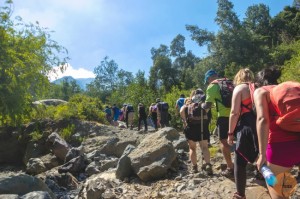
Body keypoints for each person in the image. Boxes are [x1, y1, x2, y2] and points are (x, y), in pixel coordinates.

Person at [254, 68, 300, 199]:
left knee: (280, 194)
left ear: (258, 83)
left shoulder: (261, 91)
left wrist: (262, 154)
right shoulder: (287, 89)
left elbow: (262, 119)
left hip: (280, 149)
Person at [227, 68, 257, 199]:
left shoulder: (239, 89)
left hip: (246, 126)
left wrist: (230, 133)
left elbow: (234, 113)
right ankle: (275, 186)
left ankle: (240, 194)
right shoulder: (259, 87)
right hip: (263, 124)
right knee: (263, 158)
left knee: (240, 161)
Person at [201, 69, 234, 177]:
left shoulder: (212, 86)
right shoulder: (230, 82)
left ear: (209, 78)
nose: (207, 83)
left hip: (224, 117)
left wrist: (201, 107)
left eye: (207, 81)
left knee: (223, 142)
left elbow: (208, 105)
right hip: (238, 115)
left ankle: (230, 168)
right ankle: (259, 167)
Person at [180, 90, 213, 175]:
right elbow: (208, 113)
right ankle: (208, 165)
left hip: (191, 128)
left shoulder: (187, 103)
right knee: (205, 147)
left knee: (192, 148)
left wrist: (185, 122)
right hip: (203, 127)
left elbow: (181, 111)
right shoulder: (203, 104)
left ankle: (195, 167)